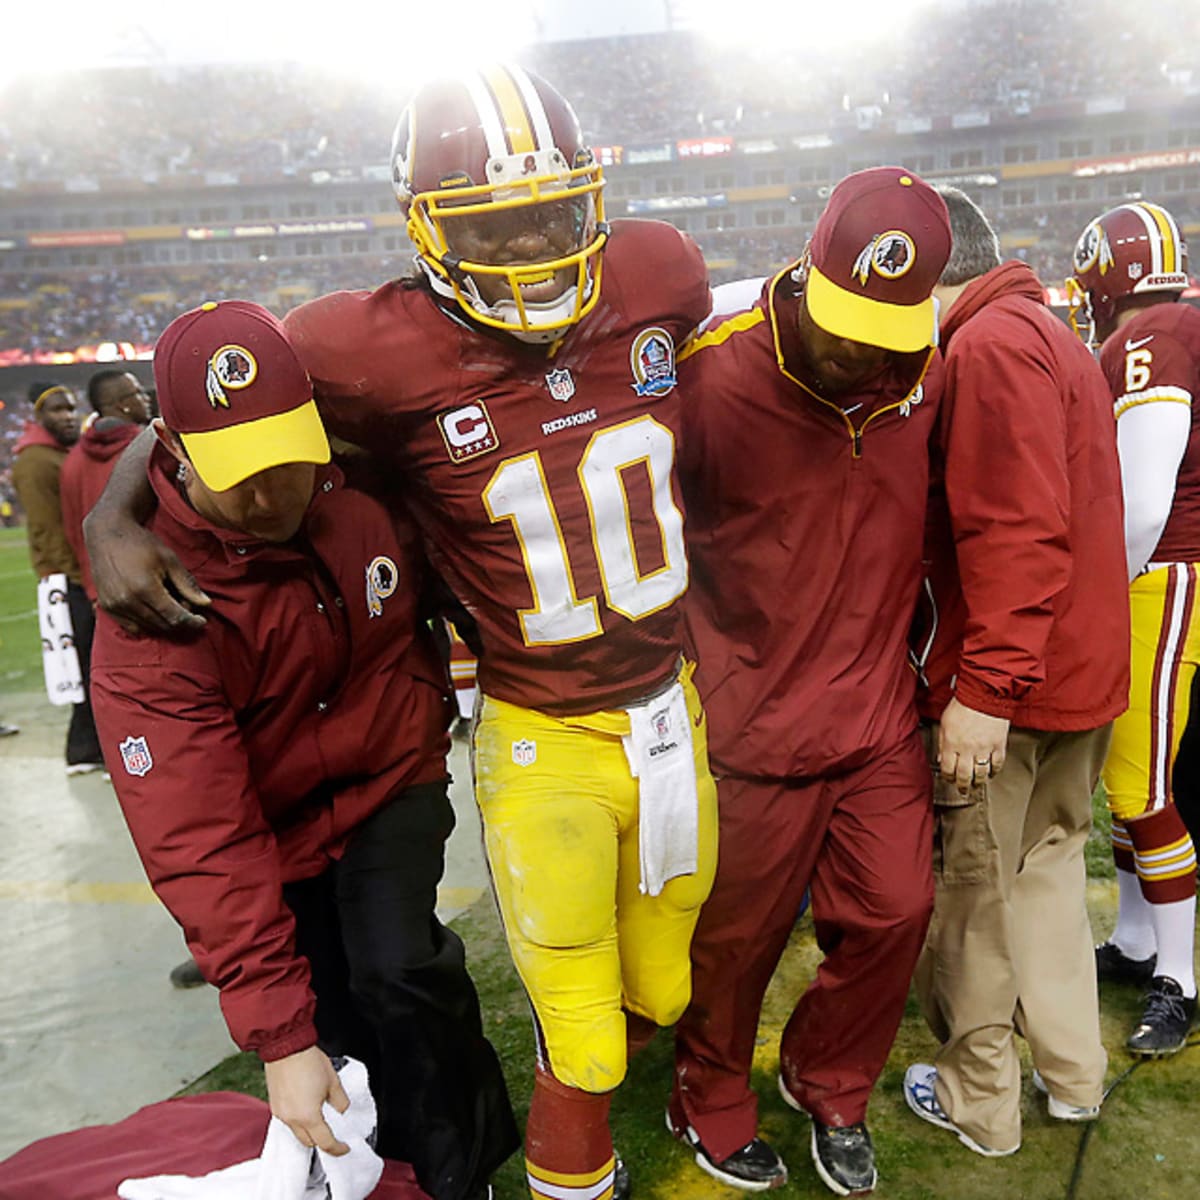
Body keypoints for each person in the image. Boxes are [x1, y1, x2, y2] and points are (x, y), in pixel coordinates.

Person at [85, 65, 718, 1200]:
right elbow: (221, 395)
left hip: (621, 715)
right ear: (425, 227)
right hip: (531, 727)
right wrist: (112, 506)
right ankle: (484, 1157)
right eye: (496, 223)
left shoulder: (661, 273)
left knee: (636, 984)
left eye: (552, 211)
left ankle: (489, 1123)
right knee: (410, 987)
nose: (530, 247)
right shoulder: (361, 351)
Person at [88, 299, 518, 1200]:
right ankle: (375, 1168)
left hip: (390, 776)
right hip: (270, 827)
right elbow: (200, 835)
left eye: (287, 457)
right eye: (236, 469)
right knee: (326, 1018)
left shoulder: (359, 480)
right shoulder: (147, 616)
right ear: (172, 448)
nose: (268, 492)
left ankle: (464, 1169)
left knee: (400, 968)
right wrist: (282, 1039)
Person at [668, 167, 950, 1197]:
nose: (854, 350)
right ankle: (708, 1093)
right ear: (805, 270)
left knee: (895, 911)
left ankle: (828, 1078)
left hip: (874, 712)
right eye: (839, 321)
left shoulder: (921, 372)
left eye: (883, 328)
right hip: (747, 720)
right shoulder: (707, 377)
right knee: (733, 943)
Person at [902, 187, 1128, 1157]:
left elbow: (1016, 530)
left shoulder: (988, 346)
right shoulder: (1049, 333)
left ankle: (980, 1103)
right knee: (1044, 883)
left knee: (978, 904)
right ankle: (1075, 1075)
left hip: (1018, 687)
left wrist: (985, 691)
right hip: (1076, 673)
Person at [1066, 200, 1200, 1055]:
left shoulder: (1151, 337)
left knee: (1143, 788)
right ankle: (1139, 938)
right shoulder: (1171, 324)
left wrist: (1103, 587)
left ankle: (1181, 979)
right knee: (1129, 779)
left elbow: (1147, 497)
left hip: (1160, 574)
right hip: (1164, 572)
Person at [11, 380, 104, 774]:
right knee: (85, 662)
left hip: (73, 575)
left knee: (88, 661)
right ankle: (85, 749)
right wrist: (78, 578)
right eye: (58, 411)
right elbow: (50, 530)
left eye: (71, 409)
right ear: (39, 416)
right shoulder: (35, 460)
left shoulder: (55, 454)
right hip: (65, 580)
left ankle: (86, 747)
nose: (68, 417)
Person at [60, 369, 153, 602]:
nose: (146, 398)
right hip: (151, 586)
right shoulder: (147, 450)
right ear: (123, 405)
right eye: (138, 393)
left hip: (103, 592)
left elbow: (72, 530)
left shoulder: (73, 460)